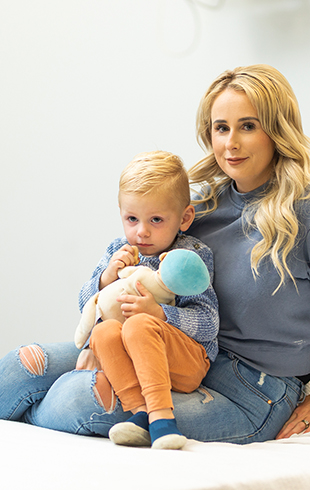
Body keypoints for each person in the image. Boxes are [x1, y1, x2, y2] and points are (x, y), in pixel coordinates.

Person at [0, 64, 310, 444]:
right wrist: (111, 330)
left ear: (277, 129)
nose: (231, 143)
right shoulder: (202, 208)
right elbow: (138, 281)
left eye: (248, 126)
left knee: (72, 398)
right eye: (221, 128)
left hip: (254, 391)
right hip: (176, 350)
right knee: (24, 366)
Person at [79, 151, 218, 450]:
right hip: (134, 359)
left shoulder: (190, 256)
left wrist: (159, 313)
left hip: (186, 362)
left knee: (140, 324)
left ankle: (162, 419)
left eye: (156, 219)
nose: (141, 231)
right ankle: (138, 412)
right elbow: (87, 308)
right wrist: (106, 277)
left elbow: (209, 323)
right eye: (132, 218)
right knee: (103, 332)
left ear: (184, 218)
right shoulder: (119, 250)